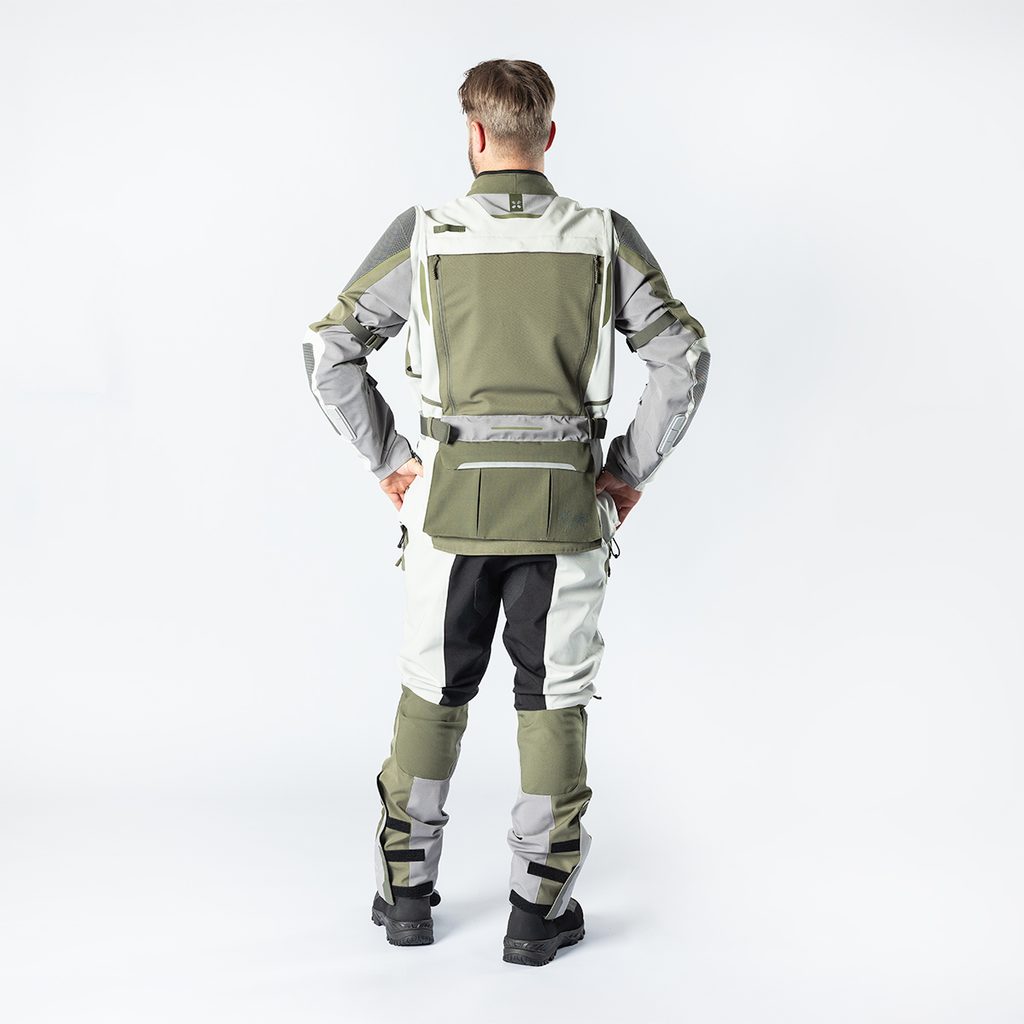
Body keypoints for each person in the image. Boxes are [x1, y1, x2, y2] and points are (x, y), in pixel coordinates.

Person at [302, 58, 710, 967]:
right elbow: (683, 357)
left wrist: (392, 462)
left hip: (448, 512)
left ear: (475, 134)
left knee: (433, 689)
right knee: (553, 699)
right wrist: (627, 472)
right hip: (565, 512)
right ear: (549, 135)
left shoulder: (425, 233)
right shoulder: (602, 236)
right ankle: (536, 912)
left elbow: (329, 348)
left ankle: (406, 897)